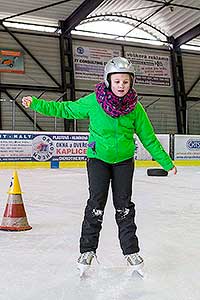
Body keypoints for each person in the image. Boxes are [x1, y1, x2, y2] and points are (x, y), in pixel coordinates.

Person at [22, 57, 177, 276]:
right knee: (96, 204)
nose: (121, 85)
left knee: (124, 207)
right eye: (117, 81)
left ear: (131, 82)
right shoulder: (94, 101)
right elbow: (66, 109)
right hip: (97, 160)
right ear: (108, 81)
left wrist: (167, 163)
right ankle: (87, 250)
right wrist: (37, 104)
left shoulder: (136, 108)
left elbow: (148, 138)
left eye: (125, 81)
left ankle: (131, 252)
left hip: (124, 161)